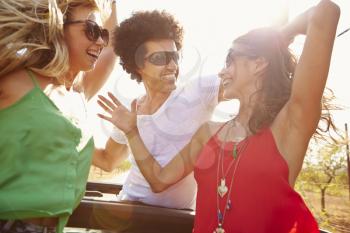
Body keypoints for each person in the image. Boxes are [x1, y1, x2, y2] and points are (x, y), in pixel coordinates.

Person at [97, 0, 340, 232]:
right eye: (160, 58)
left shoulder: (289, 127)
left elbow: (325, 12)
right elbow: (158, 180)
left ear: (259, 64)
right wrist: (130, 130)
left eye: (230, 60)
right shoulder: (209, 133)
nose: (222, 71)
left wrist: (276, 39)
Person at [0, 0, 119, 232]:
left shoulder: (78, 93)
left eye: (103, 33)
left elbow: (112, 48)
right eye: (92, 30)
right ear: (59, 29)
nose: (101, 41)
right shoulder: (17, 81)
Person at [94, 10, 223, 209]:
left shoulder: (197, 94)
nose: (172, 65)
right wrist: (66, 138)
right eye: (160, 58)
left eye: (174, 56)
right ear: (138, 65)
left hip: (173, 223)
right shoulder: (131, 111)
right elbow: (108, 160)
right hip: (128, 214)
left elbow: (242, 80)